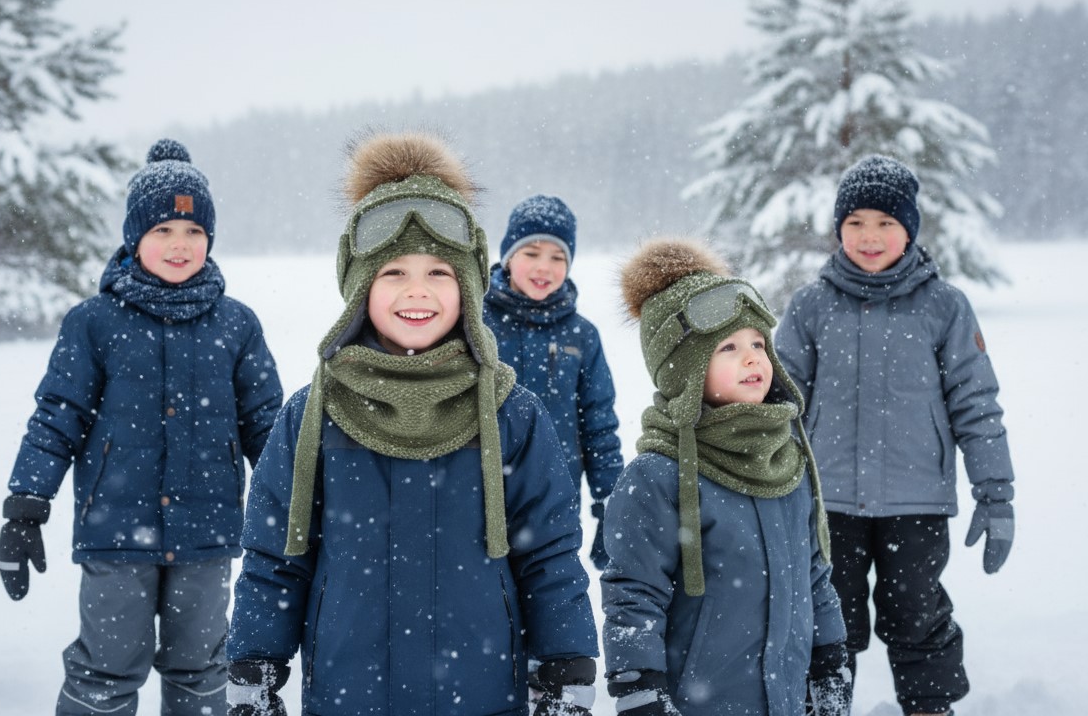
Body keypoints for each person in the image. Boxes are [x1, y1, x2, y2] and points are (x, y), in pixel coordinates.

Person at [224, 130, 599, 716]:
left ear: (470, 287)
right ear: (359, 289)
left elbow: (549, 555)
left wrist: (566, 663)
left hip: (480, 698)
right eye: (393, 272)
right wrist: (254, 665)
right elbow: (276, 557)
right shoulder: (311, 415)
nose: (417, 291)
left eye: (440, 273)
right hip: (350, 697)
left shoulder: (513, 413)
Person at [0, 138, 284, 716]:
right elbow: (58, 416)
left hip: (207, 529)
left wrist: (297, 503)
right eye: (163, 232)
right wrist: (26, 503)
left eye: (194, 233)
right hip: (117, 530)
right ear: (134, 237)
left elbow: (268, 426)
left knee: (202, 668)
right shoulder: (93, 323)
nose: (180, 246)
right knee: (106, 666)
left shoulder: (236, 324)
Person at [775, 154, 1016, 716]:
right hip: (828, 501)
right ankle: (824, 706)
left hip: (917, 501)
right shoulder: (810, 306)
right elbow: (778, 404)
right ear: (838, 230)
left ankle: (931, 708)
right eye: (855, 222)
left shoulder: (944, 306)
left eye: (886, 222)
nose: (870, 236)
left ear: (909, 228)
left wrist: (996, 493)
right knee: (829, 617)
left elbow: (977, 405)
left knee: (918, 612)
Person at [600, 238, 851, 716]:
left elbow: (814, 575)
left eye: (758, 343)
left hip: (787, 700)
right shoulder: (656, 476)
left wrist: (828, 658)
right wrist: (641, 691)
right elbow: (633, 596)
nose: (753, 357)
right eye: (729, 347)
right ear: (684, 369)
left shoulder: (786, 460)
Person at [483, 194, 623, 570]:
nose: (544, 267)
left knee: (550, 605)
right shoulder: (475, 323)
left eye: (557, 257)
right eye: (531, 253)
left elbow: (599, 425)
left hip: (555, 500)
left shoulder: (582, 335)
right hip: (478, 494)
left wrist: (611, 505)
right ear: (509, 256)